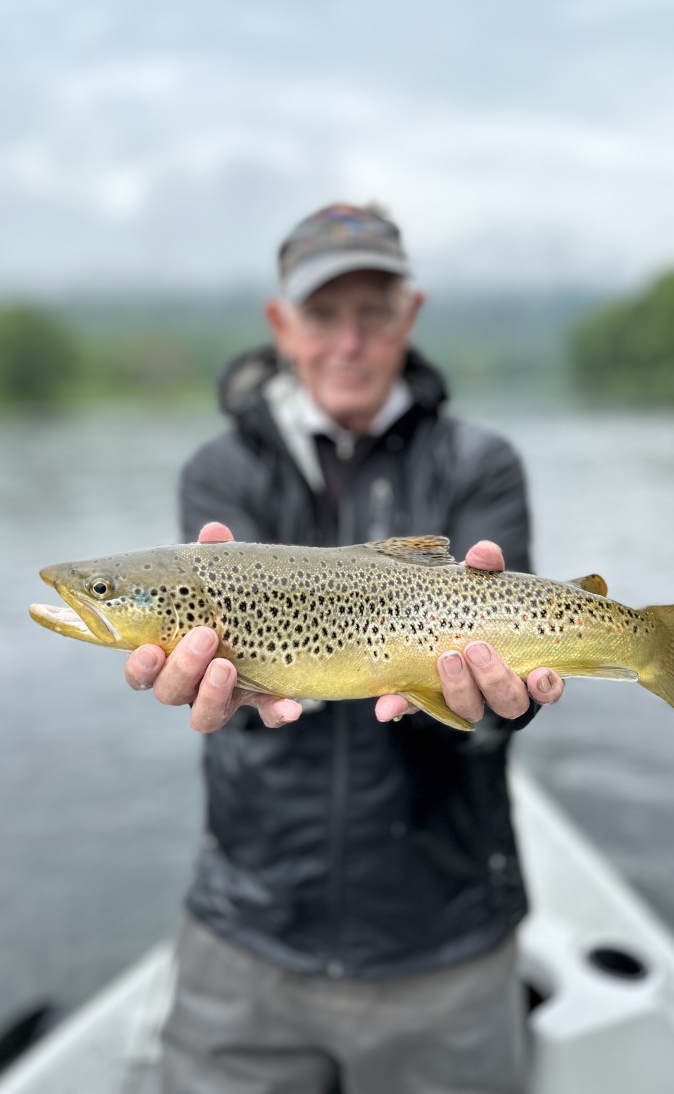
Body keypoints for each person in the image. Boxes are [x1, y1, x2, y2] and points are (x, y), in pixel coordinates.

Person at [125, 202, 564, 1094]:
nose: (349, 342)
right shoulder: (223, 475)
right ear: (281, 326)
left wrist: (486, 714)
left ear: (412, 314)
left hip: (443, 934)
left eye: (373, 313)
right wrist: (227, 690)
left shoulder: (481, 465)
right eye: (324, 315)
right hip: (249, 924)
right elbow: (247, 688)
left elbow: (501, 707)